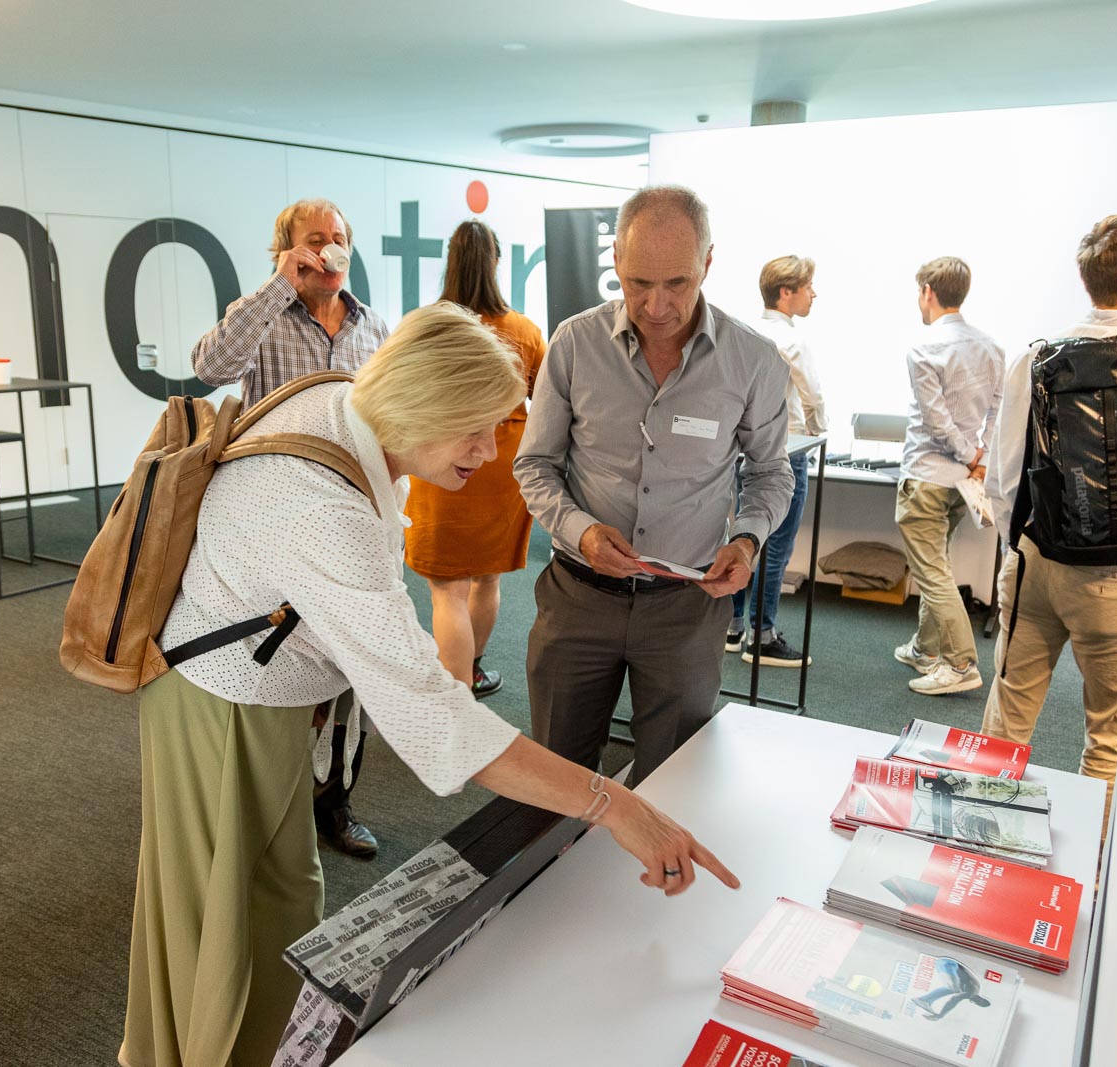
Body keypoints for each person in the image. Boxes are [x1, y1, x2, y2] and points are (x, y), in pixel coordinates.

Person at [121, 303, 739, 1067]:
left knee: (273, 897)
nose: (489, 450)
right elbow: (435, 717)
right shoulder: (318, 510)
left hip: (259, 692)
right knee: (216, 929)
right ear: (419, 405)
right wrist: (615, 804)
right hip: (217, 706)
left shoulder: (346, 406)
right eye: (474, 428)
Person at [515, 185, 795, 787]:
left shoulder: (753, 360)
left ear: (708, 265)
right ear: (615, 258)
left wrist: (746, 542)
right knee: (556, 779)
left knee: (674, 782)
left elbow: (772, 473)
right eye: (639, 282)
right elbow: (534, 466)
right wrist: (581, 532)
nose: (658, 304)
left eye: (678, 283)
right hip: (579, 598)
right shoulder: (574, 343)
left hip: (687, 608)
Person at [192, 197, 390, 858]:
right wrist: (281, 283)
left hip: (352, 524)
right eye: (314, 239)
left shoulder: (375, 328)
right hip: (273, 526)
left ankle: (335, 799)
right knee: (274, 658)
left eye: (337, 238)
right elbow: (209, 367)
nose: (328, 250)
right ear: (288, 248)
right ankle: (268, 795)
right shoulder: (266, 318)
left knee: (351, 668)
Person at [980, 205, 1117, 817]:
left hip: (1036, 563)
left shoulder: (1038, 356)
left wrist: (1015, 551)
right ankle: (1092, 872)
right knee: (1109, 736)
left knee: (1009, 712)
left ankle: (983, 835)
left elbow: (1004, 475)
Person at [404, 221, 546, 698]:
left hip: (440, 460)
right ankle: (474, 670)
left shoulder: (429, 326)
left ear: (450, 263)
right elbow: (546, 402)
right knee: (486, 578)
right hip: (500, 464)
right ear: (496, 265)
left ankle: (453, 686)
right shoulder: (523, 331)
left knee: (447, 588)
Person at [892, 256, 1005, 696]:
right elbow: (998, 412)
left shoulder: (924, 349)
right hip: (962, 481)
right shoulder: (992, 347)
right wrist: (982, 458)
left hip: (926, 475)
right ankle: (925, 648)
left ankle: (960, 664)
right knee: (935, 562)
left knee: (933, 572)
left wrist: (970, 453)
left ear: (927, 292)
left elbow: (937, 422)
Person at [731, 254, 826, 668]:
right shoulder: (792, 339)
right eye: (808, 287)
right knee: (776, 547)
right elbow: (813, 396)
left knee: (740, 539)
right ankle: (763, 637)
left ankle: (734, 628)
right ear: (786, 292)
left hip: (741, 452)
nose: (814, 294)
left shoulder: (742, 332)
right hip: (785, 454)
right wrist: (819, 432)